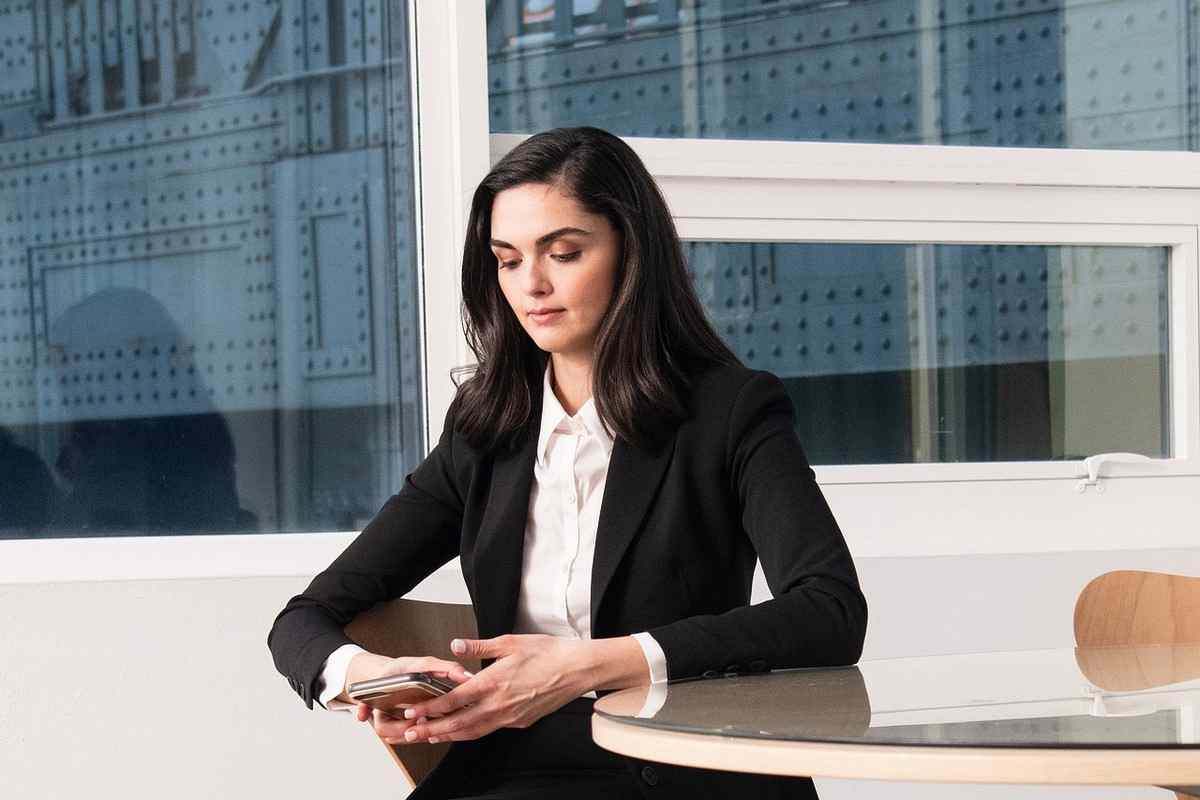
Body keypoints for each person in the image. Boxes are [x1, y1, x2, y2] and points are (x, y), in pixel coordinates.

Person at [267, 126, 867, 799]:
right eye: (508, 259)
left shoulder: (730, 410)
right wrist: (367, 678)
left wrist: (587, 667)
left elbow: (830, 612)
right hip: (510, 770)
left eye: (564, 252)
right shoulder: (484, 428)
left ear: (629, 254)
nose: (534, 285)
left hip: (678, 766)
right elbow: (304, 618)